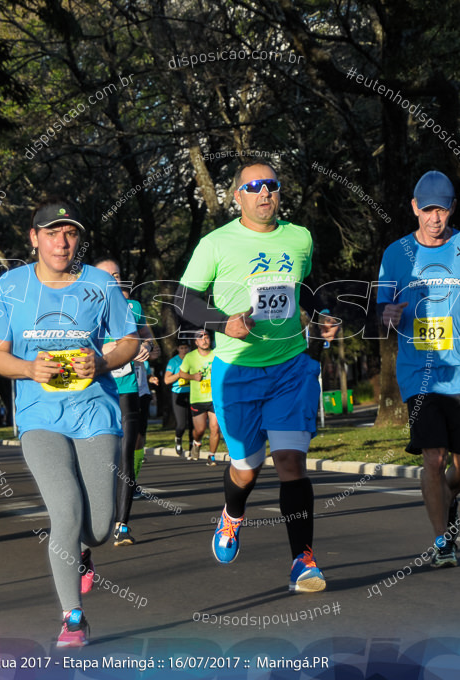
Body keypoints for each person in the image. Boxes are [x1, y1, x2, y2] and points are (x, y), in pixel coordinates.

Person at [176, 162, 339, 593]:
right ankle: (231, 517)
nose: (265, 193)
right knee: (246, 469)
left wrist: (323, 313)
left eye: (272, 185)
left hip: (290, 365)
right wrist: (220, 322)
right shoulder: (216, 243)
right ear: (238, 196)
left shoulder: (299, 237)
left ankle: (303, 561)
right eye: (254, 187)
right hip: (238, 372)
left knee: (290, 463)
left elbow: (308, 285)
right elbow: (184, 300)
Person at [0, 198, 138, 647]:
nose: (62, 242)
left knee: (99, 527)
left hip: (95, 412)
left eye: (70, 233)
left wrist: (103, 360)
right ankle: (73, 617)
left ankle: (84, 552)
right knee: (65, 511)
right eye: (52, 233)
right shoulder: (11, 287)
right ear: (34, 238)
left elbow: (129, 341)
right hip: (39, 415)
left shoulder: (99, 284)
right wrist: (30, 369)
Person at [379, 170, 460, 568]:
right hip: (420, 374)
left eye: (442, 210)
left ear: (452, 210)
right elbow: (378, 310)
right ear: (415, 208)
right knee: (433, 456)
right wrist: (388, 313)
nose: (434, 218)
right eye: (427, 210)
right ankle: (442, 541)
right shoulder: (396, 254)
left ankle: (442, 497)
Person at [94, 257, 159, 547]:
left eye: (117, 275)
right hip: (96, 391)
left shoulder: (134, 308)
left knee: (125, 454)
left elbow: (153, 346)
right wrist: (117, 348)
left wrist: (144, 346)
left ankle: (122, 525)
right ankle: (92, 517)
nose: (114, 280)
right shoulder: (83, 308)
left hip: (129, 388)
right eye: (107, 275)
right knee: (98, 455)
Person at [178, 329, 221, 465]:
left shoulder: (217, 355)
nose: (204, 340)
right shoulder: (190, 357)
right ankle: (196, 443)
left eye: (206, 337)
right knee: (200, 430)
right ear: (196, 342)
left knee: (215, 427)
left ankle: (211, 456)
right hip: (197, 398)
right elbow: (181, 373)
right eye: (201, 338)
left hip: (214, 397)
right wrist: (193, 377)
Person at [163, 340, 192, 456]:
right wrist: (179, 374)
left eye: (186, 348)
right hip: (178, 393)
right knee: (181, 424)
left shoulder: (192, 359)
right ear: (177, 349)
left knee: (193, 423)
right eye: (182, 348)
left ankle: (192, 446)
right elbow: (166, 380)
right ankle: (178, 439)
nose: (184, 350)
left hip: (192, 393)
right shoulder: (174, 361)